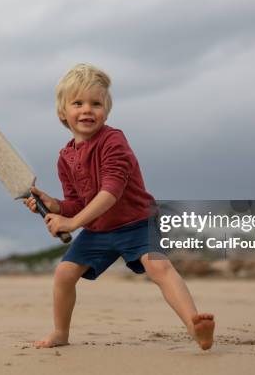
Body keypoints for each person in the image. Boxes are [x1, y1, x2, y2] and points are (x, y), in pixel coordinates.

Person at [23, 63, 215, 350]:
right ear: (63, 112)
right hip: (99, 230)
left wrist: (72, 224)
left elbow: (110, 193)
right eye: (78, 103)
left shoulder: (114, 141)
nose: (88, 110)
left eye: (96, 103)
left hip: (136, 222)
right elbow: (78, 203)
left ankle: (195, 325)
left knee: (158, 266)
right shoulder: (65, 157)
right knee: (64, 274)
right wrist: (57, 206)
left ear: (106, 110)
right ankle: (61, 333)